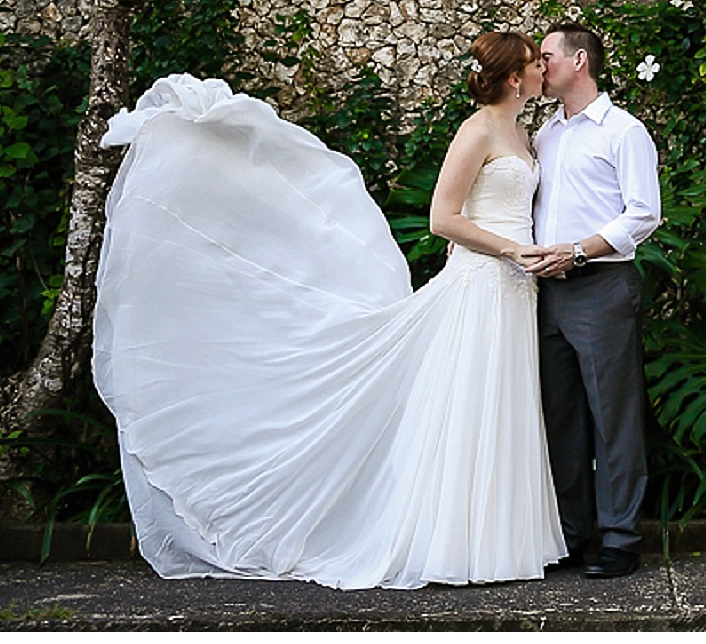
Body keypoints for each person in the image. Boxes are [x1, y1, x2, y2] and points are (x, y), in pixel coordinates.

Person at [92, 33, 568, 589]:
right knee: (469, 408)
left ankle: (500, 545)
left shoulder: (523, 132)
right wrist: (510, 249)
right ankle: (453, 547)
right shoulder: (477, 130)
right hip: (483, 284)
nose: (542, 71)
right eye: (536, 64)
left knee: (499, 407)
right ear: (515, 77)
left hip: (517, 288)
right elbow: (443, 217)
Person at [531, 23, 661, 579]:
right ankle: (572, 532)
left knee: (613, 416)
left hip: (601, 286)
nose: (539, 67)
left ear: (578, 61)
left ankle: (620, 537)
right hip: (545, 292)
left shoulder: (624, 131)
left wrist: (578, 253)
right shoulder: (544, 135)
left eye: (546, 57)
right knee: (560, 418)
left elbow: (643, 214)